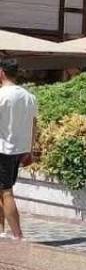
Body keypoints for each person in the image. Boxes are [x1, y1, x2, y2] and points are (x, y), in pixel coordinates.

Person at [0, 59, 37, 240]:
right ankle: (1, 231)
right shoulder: (29, 96)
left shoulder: (2, 95)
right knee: (3, 191)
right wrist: (30, 149)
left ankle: (18, 235)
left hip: (3, 149)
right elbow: (34, 124)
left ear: (1, 72)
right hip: (18, 150)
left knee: (6, 192)